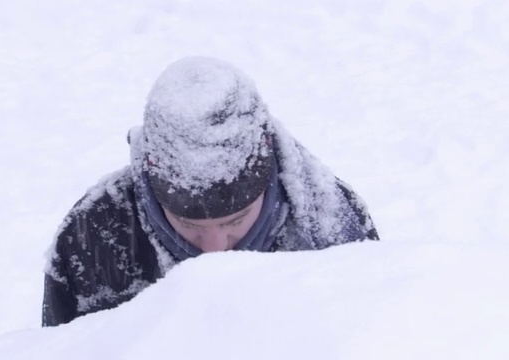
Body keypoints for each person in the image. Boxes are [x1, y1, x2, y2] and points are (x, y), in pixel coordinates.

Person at [42, 56, 379, 327]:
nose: (215, 252)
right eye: (189, 225)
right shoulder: (92, 240)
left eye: (235, 221)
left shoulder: (335, 235)